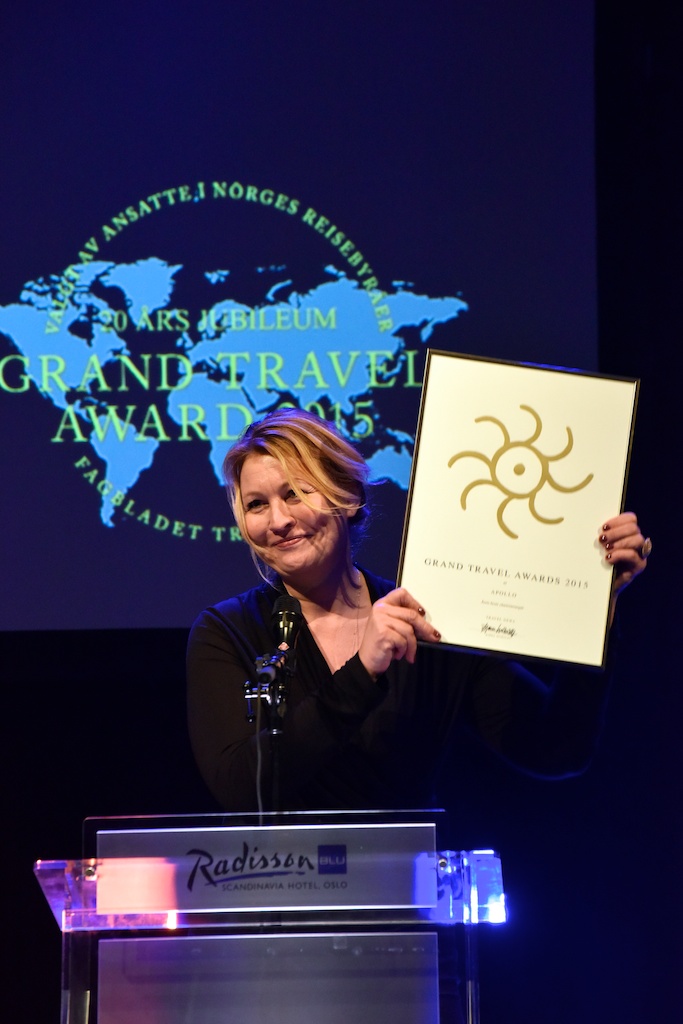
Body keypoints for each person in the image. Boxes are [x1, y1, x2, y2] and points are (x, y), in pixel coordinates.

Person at [186, 407, 649, 815]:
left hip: (409, 881)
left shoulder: (426, 619)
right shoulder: (228, 632)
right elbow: (241, 786)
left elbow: (555, 747)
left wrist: (597, 605)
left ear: (348, 496)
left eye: (294, 494)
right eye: (257, 505)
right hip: (281, 884)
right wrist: (362, 671)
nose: (278, 521)